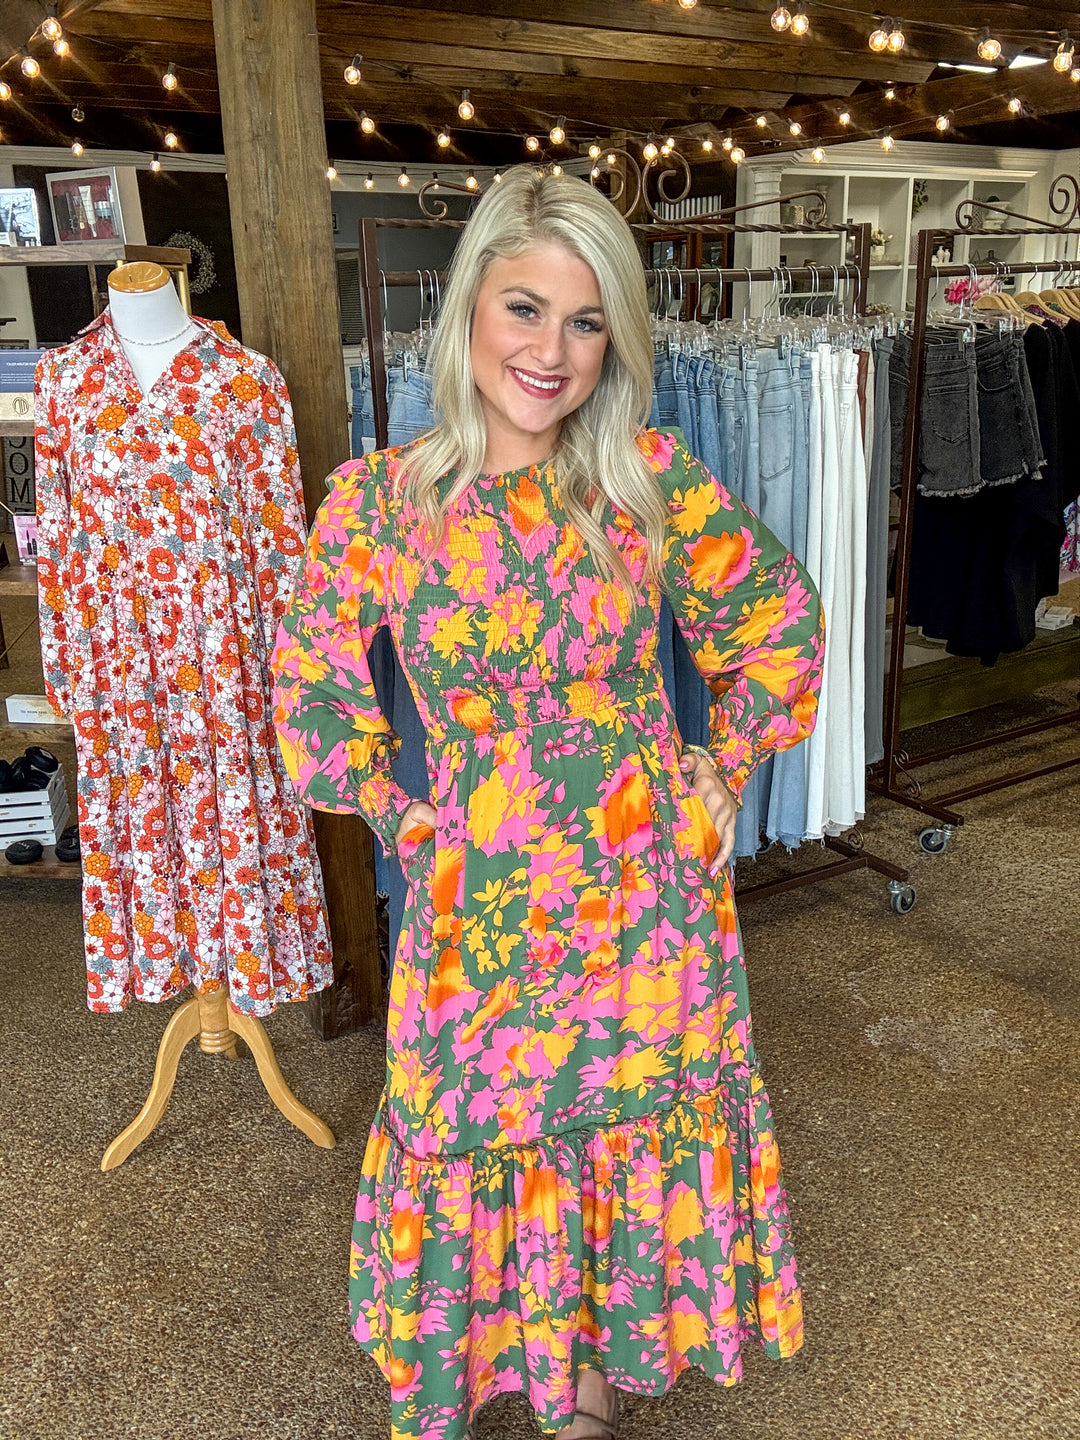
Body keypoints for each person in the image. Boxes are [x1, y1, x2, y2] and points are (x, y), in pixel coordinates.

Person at [271, 167, 824, 1440]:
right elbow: (311, 691)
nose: (552, 352)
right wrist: (402, 813)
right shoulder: (378, 504)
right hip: (478, 912)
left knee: (624, 1132)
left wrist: (722, 763)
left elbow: (780, 625)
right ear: (469, 305)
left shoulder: (647, 481)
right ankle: (500, 1368)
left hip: (646, 907)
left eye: (586, 322)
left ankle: (587, 1390)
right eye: (525, 309)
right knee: (468, 1134)